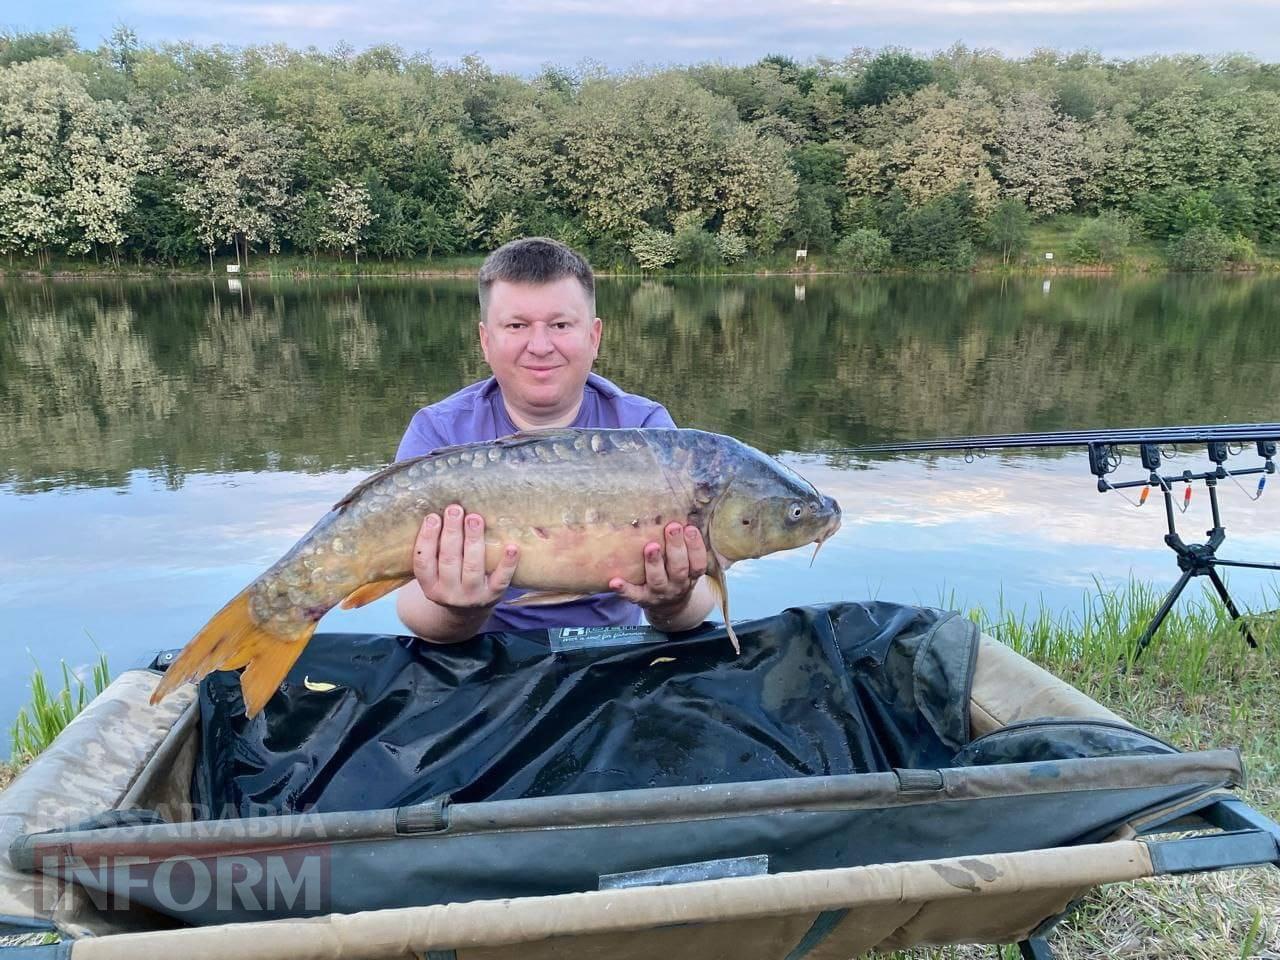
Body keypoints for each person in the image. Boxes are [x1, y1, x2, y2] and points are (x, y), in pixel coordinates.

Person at [394, 237, 716, 643]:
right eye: (516, 325)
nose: (541, 346)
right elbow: (412, 609)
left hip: (611, 659)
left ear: (594, 336)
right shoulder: (439, 433)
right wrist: (459, 613)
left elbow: (696, 602)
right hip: (478, 660)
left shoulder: (644, 430)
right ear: (485, 340)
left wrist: (671, 603)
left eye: (561, 325)